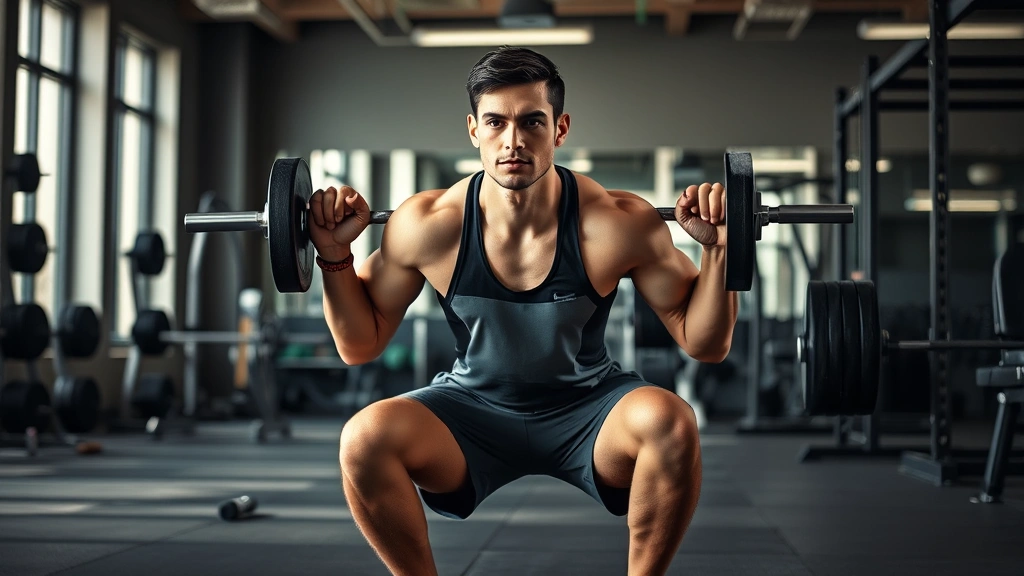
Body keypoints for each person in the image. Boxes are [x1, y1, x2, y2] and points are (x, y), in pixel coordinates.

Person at [309, 46, 738, 576]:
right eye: (495, 122)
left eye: (532, 121)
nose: (513, 140)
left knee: (672, 422)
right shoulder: (430, 225)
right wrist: (333, 256)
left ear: (559, 129)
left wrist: (722, 250)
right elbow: (359, 346)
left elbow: (705, 342)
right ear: (473, 130)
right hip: (470, 412)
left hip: (589, 409)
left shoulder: (617, 224)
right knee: (363, 437)